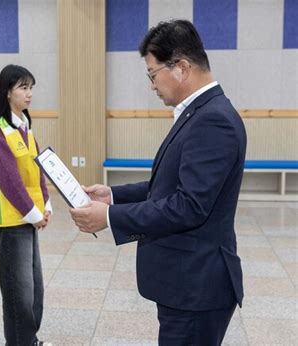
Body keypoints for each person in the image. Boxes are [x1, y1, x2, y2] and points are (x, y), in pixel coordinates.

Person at [70, 19, 246, 345]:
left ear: (180, 67)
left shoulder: (213, 120)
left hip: (197, 287)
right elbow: (170, 185)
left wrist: (108, 218)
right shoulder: (200, 113)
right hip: (186, 282)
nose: (152, 85)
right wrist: (113, 196)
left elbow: (189, 206)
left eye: (152, 74)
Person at [0, 64, 52, 346]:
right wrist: (34, 214)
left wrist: (45, 204)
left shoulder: (24, 127)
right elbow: (10, 182)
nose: (29, 93)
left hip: (28, 220)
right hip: (11, 224)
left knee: (34, 292)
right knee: (18, 295)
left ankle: (29, 340)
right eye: (23, 87)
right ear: (7, 92)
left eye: (31, 87)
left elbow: (36, 171)